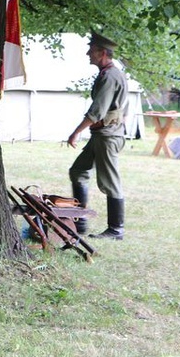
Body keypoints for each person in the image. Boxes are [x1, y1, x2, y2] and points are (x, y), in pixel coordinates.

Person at [67, 31, 129, 240]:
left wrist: (75, 132)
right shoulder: (107, 74)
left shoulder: (110, 76)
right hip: (100, 134)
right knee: (78, 170)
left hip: (107, 136)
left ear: (102, 53)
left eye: (91, 51)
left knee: (110, 181)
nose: (87, 54)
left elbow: (97, 112)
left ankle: (116, 230)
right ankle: (80, 221)